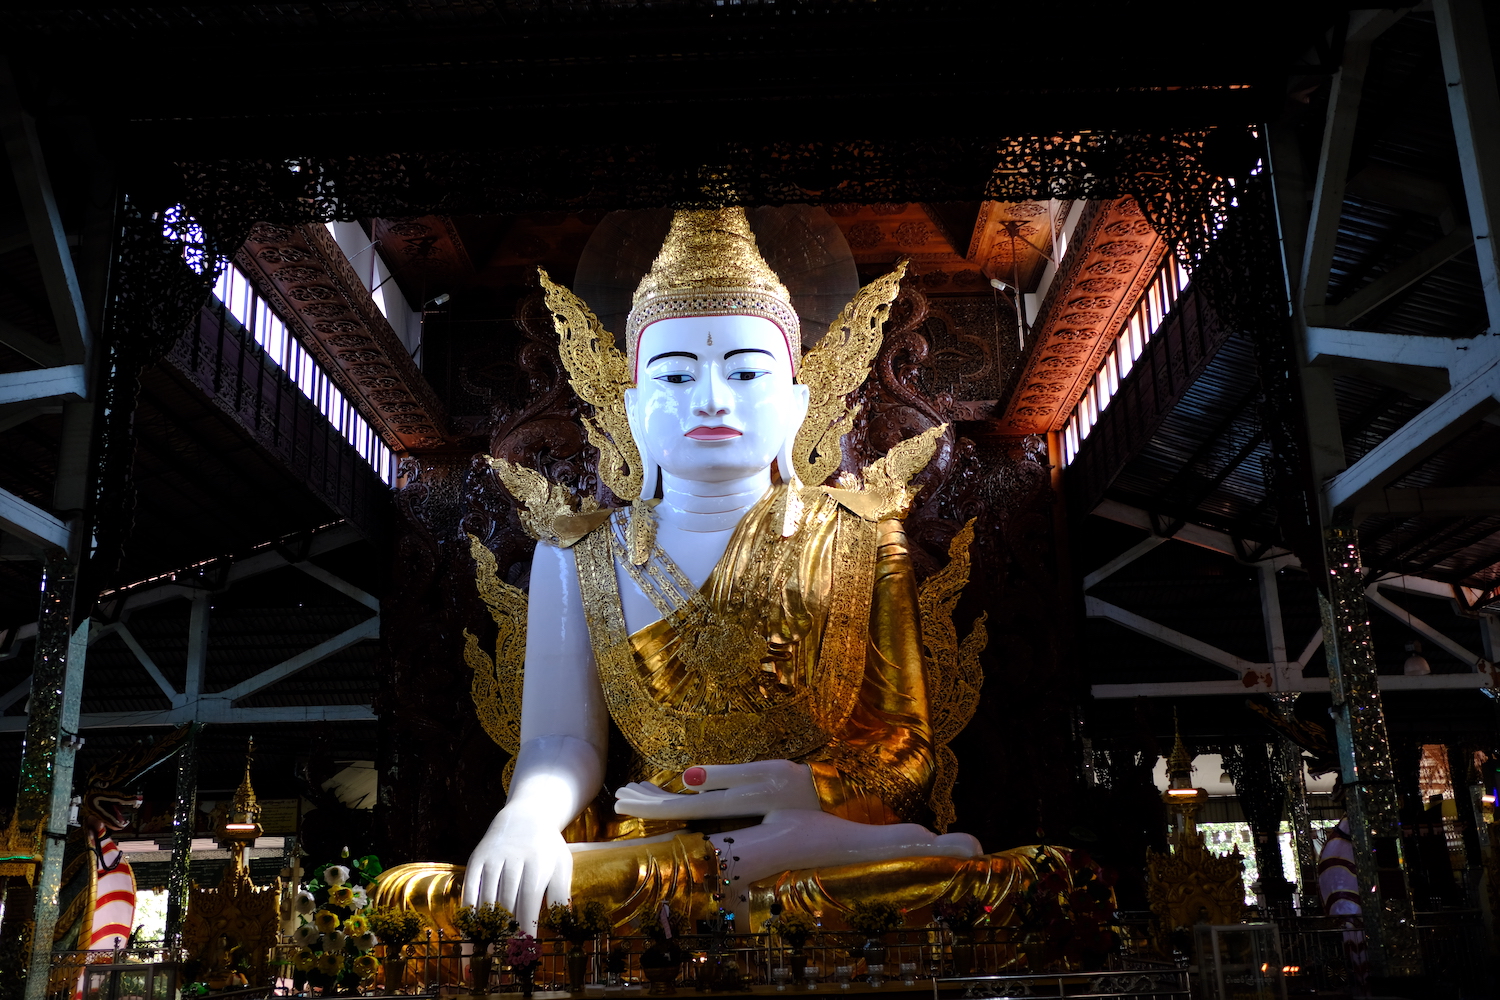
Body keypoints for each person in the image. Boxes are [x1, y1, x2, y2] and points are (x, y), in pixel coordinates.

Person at [378, 209, 1064, 934]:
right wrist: (524, 820)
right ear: (635, 411)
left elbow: (902, 751)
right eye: (675, 374)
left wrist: (797, 790)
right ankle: (762, 865)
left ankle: (782, 853)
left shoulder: (864, 537)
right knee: (416, 898)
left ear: (798, 404)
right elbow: (561, 742)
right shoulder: (576, 553)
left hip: (818, 850)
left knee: (1031, 877)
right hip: (650, 854)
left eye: (744, 370)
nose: (710, 397)